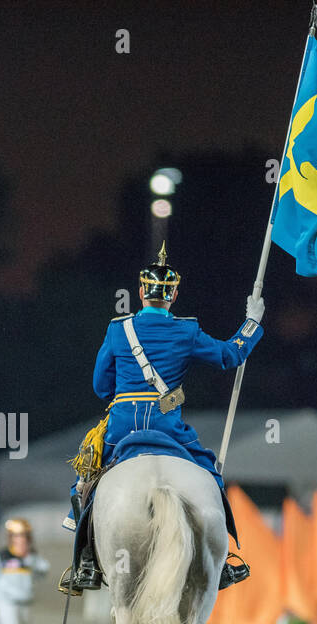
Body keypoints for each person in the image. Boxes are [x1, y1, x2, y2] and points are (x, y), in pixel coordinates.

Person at [60, 243, 265, 594]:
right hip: (167, 424)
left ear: (141, 293)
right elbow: (230, 356)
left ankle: (86, 564)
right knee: (209, 472)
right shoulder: (187, 331)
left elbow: (99, 386)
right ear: (173, 295)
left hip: (121, 424)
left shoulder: (117, 329)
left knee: (85, 481)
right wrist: (252, 322)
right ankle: (224, 559)